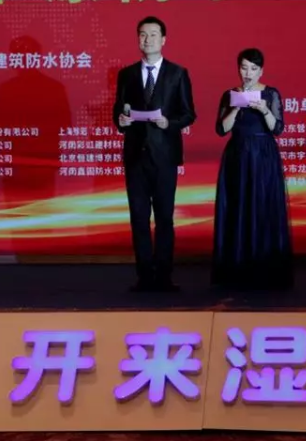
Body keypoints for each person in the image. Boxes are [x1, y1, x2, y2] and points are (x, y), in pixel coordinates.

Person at [113, 16, 196, 292]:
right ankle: (144, 276)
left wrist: (168, 123)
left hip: (164, 157)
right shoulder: (126, 74)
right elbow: (118, 111)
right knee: (138, 218)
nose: (147, 39)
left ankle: (164, 276)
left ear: (163, 39)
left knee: (164, 218)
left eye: (152, 34)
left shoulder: (177, 73)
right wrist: (121, 121)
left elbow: (188, 113)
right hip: (135, 157)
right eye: (142, 34)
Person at [211, 48, 294, 290]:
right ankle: (237, 267)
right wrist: (237, 107)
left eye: (253, 69)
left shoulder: (270, 94)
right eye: (244, 68)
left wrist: (264, 109)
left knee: (263, 206)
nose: (248, 73)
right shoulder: (230, 94)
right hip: (237, 157)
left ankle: (265, 267)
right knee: (238, 207)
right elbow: (221, 130)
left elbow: (277, 129)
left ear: (261, 71)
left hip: (263, 156)